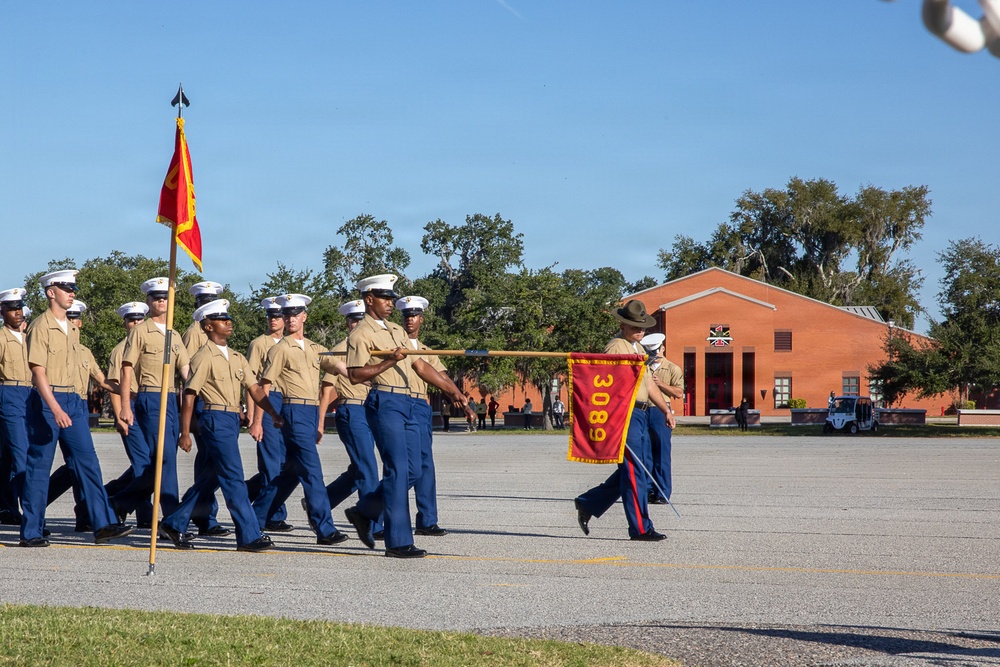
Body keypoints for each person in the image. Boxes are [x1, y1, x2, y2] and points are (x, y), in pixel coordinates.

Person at [342, 274, 469, 559]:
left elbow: (420, 366)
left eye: (391, 298)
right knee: (398, 470)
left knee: (415, 470)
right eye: (385, 298)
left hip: (409, 402)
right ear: (369, 299)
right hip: (385, 401)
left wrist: (453, 391)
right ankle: (398, 542)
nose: (390, 303)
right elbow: (355, 375)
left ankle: (365, 510)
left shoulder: (397, 330)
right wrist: (390, 361)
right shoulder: (360, 334)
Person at [19, 270, 132, 547]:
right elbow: (38, 373)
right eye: (66, 289)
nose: (72, 293)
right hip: (49, 401)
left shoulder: (72, 330)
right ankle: (31, 531)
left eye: (73, 289)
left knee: (88, 462)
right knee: (39, 466)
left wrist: (127, 392)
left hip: (73, 402)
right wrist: (55, 408)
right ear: (51, 292)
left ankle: (102, 524)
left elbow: (99, 378)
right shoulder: (40, 327)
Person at [158, 299, 280, 552]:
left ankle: (173, 523)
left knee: (211, 477)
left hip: (231, 419)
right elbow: (190, 394)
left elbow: (255, 388)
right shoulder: (204, 357)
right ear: (208, 326)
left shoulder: (235, 356)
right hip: (214, 418)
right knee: (234, 477)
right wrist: (185, 432)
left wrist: (272, 413)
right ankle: (249, 535)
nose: (229, 323)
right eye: (222, 320)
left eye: (229, 319)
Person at [249, 293, 347, 546]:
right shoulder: (279, 349)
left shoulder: (315, 348)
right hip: (293, 410)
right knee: (313, 471)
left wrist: (370, 373)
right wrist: (262, 418)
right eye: (287, 315)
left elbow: (341, 367)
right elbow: (264, 386)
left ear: (304, 316)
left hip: (310, 412)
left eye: (295, 314)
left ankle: (254, 518)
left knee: (291, 473)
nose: (290, 319)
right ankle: (325, 528)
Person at [574, 299, 671, 542]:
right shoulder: (617, 347)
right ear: (622, 325)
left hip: (641, 413)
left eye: (642, 327)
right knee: (636, 469)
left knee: (639, 468)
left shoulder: (637, 349)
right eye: (634, 326)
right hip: (625, 413)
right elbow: (606, 385)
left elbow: (649, 385)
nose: (640, 331)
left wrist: (665, 410)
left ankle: (589, 502)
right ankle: (640, 528)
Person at [111, 276, 191, 526]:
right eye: (157, 298)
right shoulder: (140, 332)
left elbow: (186, 371)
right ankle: (172, 520)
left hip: (171, 398)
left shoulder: (174, 334)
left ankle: (120, 501)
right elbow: (126, 369)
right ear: (148, 301)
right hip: (151, 397)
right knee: (165, 460)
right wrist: (125, 406)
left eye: (166, 297)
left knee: (162, 461)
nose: (162, 301)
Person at [46, 299, 118, 531]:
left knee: (81, 464)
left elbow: (102, 380)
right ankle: (36, 505)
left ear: (80, 323)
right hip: (54, 403)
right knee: (68, 465)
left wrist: (128, 393)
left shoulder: (85, 352)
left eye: (75, 319)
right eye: (68, 317)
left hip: (79, 406)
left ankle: (87, 516)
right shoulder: (52, 344)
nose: (72, 322)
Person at [313, 299, 381, 538]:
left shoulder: (370, 346)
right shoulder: (342, 349)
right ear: (347, 323)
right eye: (353, 320)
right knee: (368, 468)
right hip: (351, 409)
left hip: (369, 411)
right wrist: (320, 423)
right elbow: (326, 389)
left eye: (361, 320)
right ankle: (373, 524)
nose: (357, 324)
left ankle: (319, 503)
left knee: (358, 470)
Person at [398, 295, 465, 538]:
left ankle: (427, 520)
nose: (410, 319)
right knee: (406, 466)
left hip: (420, 405)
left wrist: (459, 396)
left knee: (425, 464)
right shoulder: (395, 343)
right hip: (400, 403)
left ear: (421, 319)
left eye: (414, 315)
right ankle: (378, 511)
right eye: (406, 315)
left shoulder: (427, 350)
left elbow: (442, 376)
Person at [180, 280, 227, 537]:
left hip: (217, 402)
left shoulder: (218, 330)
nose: (208, 306)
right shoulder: (195, 333)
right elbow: (187, 373)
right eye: (204, 302)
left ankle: (202, 515)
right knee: (211, 461)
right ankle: (202, 517)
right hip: (202, 401)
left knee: (212, 461)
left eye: (212, 301)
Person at [244, 296, 293, 533]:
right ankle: (273, 514)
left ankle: (246, 495)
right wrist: (254, 418)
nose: (273, 320)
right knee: (271, 462)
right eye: (270, 316)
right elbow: (251, 383)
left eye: (277, 316)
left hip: (289, 401)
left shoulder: (291, 342)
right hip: (268, 399)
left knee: (285, 462)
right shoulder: (259, 344)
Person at [0, 288, 31, 527]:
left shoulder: (29, 338)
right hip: (9, 392)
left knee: (10, 458)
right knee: (22, 456)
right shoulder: (1, 338)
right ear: (2, 312)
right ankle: (31, 516)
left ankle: (8, 508)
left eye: (19, 307)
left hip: (30, 395)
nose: (17, 312)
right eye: (12, 309)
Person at [641, 332, 682, 505]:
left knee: (662, 453)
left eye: (656, 351)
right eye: (650, 351)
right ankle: (648, 490)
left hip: (660, 411)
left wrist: (661, 384)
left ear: (663, 348)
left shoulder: (672, 368)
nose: (654, 354)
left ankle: (663, 492)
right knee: (645, 453)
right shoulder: (642, 367)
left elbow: (679, 393)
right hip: (642, 410)